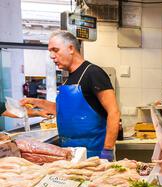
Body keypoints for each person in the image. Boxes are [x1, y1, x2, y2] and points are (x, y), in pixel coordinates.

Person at [20, 30, 120, 161]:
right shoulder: (68, 79)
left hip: (94, 153)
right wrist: (36, 102)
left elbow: (114, 112)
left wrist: (107, 149)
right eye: (50, 51)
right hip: (69, 153)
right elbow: (65, 111)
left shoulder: (93, 73)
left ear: (71, 48)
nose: (51, 56)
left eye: (55, 50)